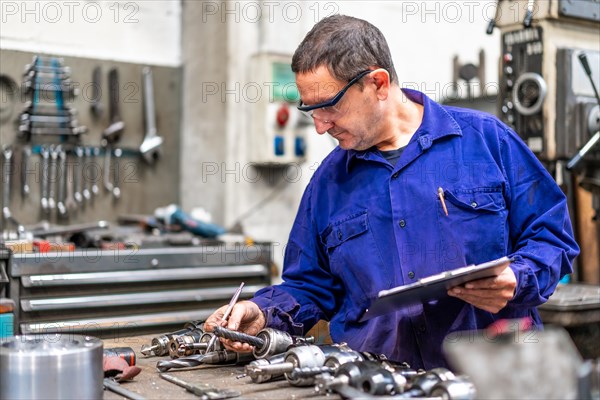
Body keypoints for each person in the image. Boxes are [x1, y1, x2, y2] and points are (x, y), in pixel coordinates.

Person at [205, 15, 579, 369]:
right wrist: (263, 311)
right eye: (310, 111)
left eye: (329, 106)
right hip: (379, 382)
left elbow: (552, 237)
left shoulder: (486, 141)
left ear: (379, 84)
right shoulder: (329, 183)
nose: (320, 127)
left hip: (495, 377)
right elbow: (309, 284)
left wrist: (518, 279)